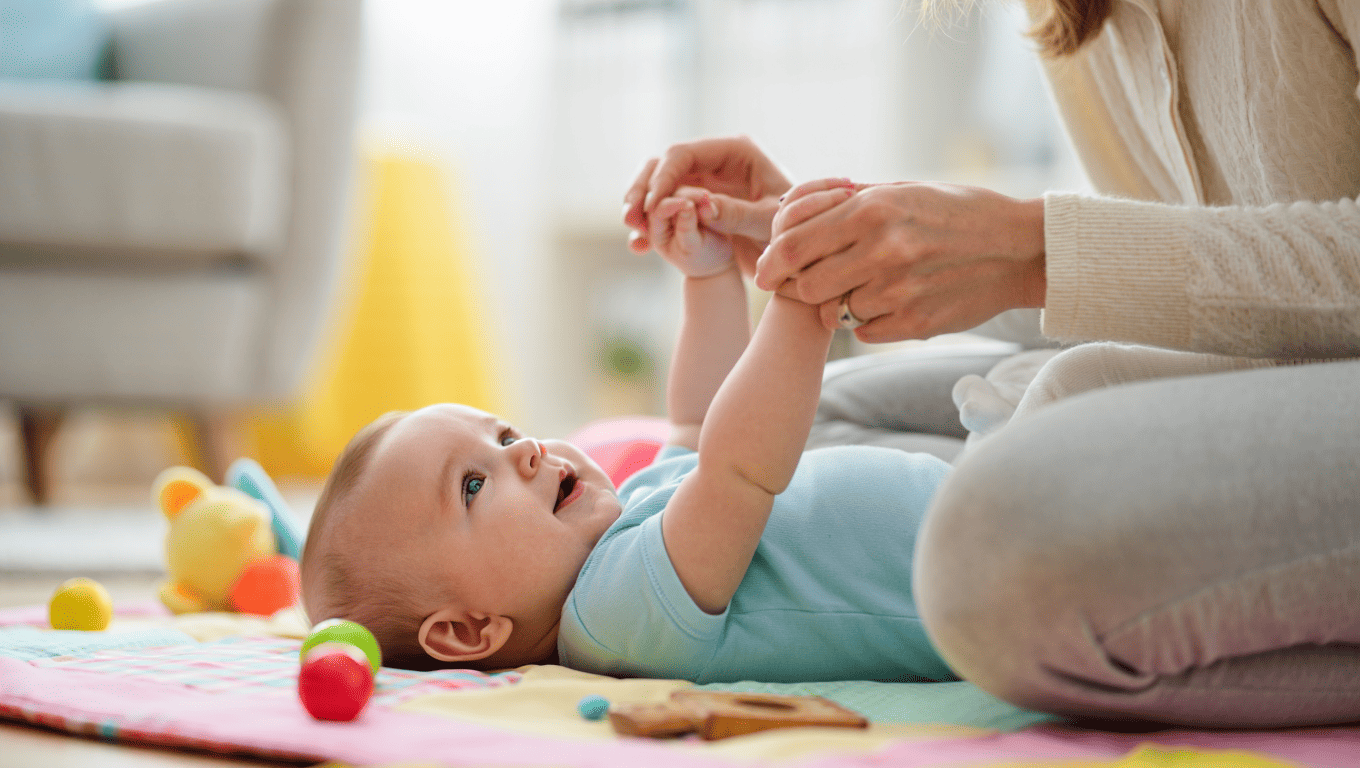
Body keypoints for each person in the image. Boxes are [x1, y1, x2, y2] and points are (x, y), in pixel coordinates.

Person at [622, 0, 1360, 728]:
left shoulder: (620, 602)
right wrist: (847, 246)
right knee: (813, 419)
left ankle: (1006, 563)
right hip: (1266, 362)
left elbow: (711, 447)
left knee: (996, 549)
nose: (523, 454)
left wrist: (1035, 251)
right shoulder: (1072, 15)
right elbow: (1167, 280)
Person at [299, 181, 956, 683]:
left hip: (964, 498)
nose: (524, 451)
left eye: (503, 437)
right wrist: (799, 300)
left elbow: (701, 422)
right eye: (473, 484)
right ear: (469, 630)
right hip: (990, 574)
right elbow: (739, 470)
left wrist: (707, 277)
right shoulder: (615, 617)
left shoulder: (627, 531)